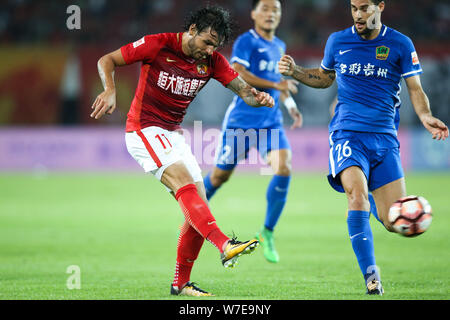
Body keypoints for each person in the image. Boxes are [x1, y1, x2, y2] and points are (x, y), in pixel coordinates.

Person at [90, 5, 276, 297]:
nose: (209, 50)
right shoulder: (158, 44)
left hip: (173, 135)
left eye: (215, 45)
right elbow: (107, 60)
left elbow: (243, 91)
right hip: (143, 129)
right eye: (206, 42)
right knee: (186, 187)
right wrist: (110, 89)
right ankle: (225, 245)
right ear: (192, 30)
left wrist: (258, 97)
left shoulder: (212, 61)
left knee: (198, 209)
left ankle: (181, 283)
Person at [279, 0, 448, 295]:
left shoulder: (400, 43)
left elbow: (415, 88)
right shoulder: (338, 40)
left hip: (384, 140)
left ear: (380, 7)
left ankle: (370, 210)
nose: (358, 14)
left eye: (365, 8)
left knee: (391, 220)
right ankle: (371, 276)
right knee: (357, 197)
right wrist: (295, 71)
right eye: (354, 8)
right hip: (347, 135)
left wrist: (425, 116)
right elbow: (324, 78)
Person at [203, 0, 302, 264]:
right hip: (242, 121)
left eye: (276, 10)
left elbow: (278, 88)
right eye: (266, 9)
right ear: (254, 14)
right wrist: (276, 84)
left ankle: (267, 231)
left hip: (270, 122)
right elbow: (238, 72)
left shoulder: (279, 46)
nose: (271, 14)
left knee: (283, 167)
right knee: (220, 176)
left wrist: (290, 105)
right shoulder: (246, 42)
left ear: (280, 17)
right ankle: (194, 216)